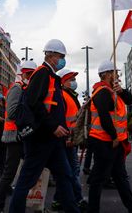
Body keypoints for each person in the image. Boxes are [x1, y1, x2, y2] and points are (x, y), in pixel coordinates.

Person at [9, 39, 80, 213]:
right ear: (51, 56)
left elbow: (52, 107)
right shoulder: (42, 74)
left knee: (65, 176)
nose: (62, 60)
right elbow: (34, 103)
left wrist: (60, 129)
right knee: (27, 180)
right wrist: (53, 126)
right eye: (61, 56)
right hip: (41, 138)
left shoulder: (50, 76)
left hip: (52, 139)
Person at [87, 60, 132, 213]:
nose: (117, 75)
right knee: (98, 179)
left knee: (120, 177)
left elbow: (130, 100)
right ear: (107, 74)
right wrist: (114, 136)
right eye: (115, 72)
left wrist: (121, 91)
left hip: (113, 141)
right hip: (104, 141)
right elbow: (104, 117)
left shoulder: (113, 91)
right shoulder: (102, 92)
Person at [0, 60, 36, 213]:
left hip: (23, 136)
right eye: (30, 75)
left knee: (28, 170)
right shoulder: (16, 89)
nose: (32, 78)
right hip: (14, 137)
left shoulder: (24, 89)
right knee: (9, 173)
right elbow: (11, 113)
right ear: (24, 74)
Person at [54, 68, 86, 209]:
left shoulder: (70, 95)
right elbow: (62, 118)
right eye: (71, 79)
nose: (74, 82)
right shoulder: (62, 95)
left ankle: (59, 200)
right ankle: (76, 199)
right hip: (67, 139)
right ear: (63, 81)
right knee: (71, 172)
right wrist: (69, 138)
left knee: (67, 172)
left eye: (74, 79)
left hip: (70, 139)